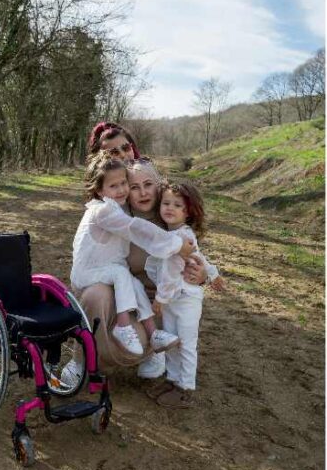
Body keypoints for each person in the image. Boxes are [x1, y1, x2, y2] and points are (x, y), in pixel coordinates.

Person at [70, 152, 195, 356]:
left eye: (123, 183)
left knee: (131, 282)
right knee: (122, 275)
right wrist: (175, 244)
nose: (121, 190)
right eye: (114, 186)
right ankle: (122, 327)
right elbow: (136, 228)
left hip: (110, 273)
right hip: (89, 273)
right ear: (100, 191)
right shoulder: (103, 211)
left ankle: (153, 333)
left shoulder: (124, 209)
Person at [143, 182, 226, 408]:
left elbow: (172, 272)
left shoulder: (181, 237)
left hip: (185, 299)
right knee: (172, 340)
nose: (170, 208)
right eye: (166, 203)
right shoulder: (173, 235)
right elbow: (200, 257)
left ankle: (185, 387)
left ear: (187, 211)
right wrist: (213, 273)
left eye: (177, 205)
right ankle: (172, 379)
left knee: (187, 343)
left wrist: (160, 299)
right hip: (173, 299)